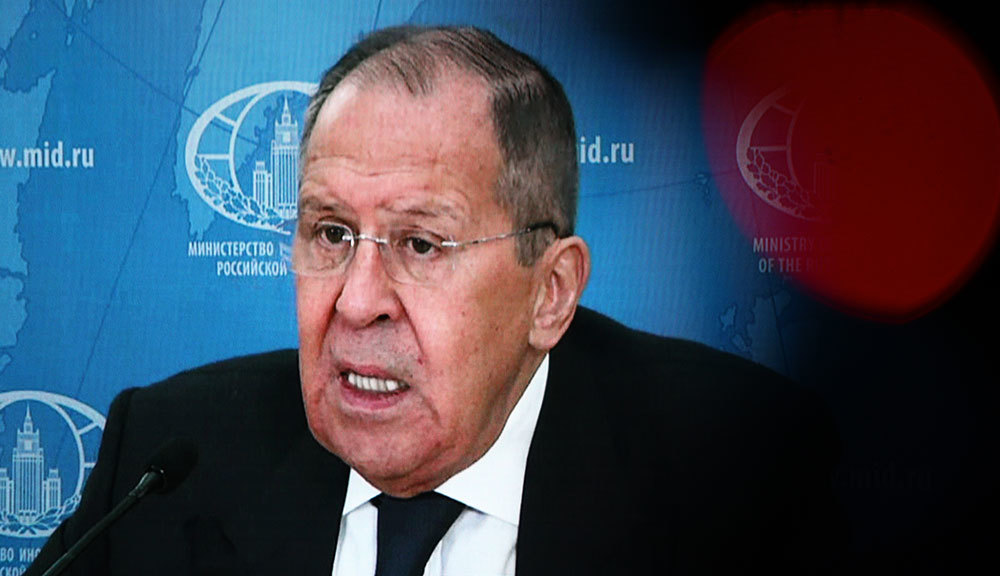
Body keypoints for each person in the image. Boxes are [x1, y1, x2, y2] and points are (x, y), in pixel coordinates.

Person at [27, 25, 840, 575]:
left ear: (550, 293)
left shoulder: (742, 474)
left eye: (420, 244)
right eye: (331, 233)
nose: (357, 303)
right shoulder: (167, 458)